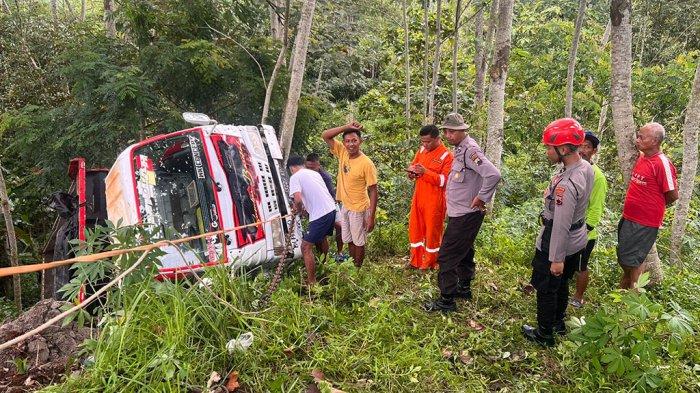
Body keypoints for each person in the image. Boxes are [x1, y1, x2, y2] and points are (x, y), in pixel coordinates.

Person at [522, 118, 594, 347]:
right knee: (562, 284)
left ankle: (544, 333)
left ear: (563, 149)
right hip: (577, 237)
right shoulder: (585, 167)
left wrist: (556, 258)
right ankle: (557, 323)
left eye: (548, 147)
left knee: (546, 287)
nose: (546, 151)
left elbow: (561, 224)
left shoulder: (566, 184)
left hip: (558, 238)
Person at [424, 113, 501, 312]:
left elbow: (493, 174)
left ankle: (446, 300)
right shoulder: (460, 149)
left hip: (467, 213)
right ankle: (464, 287)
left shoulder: (470, 150)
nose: (448, 135)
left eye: (453, 131)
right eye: (447, 131)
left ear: (462, 131)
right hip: (460, 211)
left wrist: (482, 197)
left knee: (447, 255)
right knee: (465, 250)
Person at [617, 122, 678, 290]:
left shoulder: (662, 163)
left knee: (634, 260)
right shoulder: (643, 157)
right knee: (625, 257)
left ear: (655, 141)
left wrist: (651, 205)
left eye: (641, 137)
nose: (637, 139)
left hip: (644, 222)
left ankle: (634, 295)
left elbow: (673, 194)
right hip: (629, 216)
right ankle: (626, 288)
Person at [321, 121, 378, 268]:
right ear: (344, 143)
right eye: (347, 141)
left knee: (359, 241)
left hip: (359, 207)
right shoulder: (342, 151)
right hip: (345, 205)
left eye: (354, 140)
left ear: (360, 141)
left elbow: (373, 190)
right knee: (349, 239)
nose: (351, 144)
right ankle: (352, 265)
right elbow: (325, 136)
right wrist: (345, 127)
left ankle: (358, 269)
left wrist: (371, 216)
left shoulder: (366, 163)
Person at [569, 130, 608, 308]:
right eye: (581, 146)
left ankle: (578, 297)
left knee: (581, 266)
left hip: (584, 232)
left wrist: (586, 230)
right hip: (567, 227)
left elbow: (596, 208)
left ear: (594, 151)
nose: (583, 150)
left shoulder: (597, 176)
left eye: (588, 147)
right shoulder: (570, 168)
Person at [407, 124, 453, 269]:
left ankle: (429, 264)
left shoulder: (447, 155)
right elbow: (414, 166)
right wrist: (411, 172)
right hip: (418, 197)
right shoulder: (421, 150)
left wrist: (425, 172)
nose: (425, 145)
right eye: (423, 141)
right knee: (415, 229)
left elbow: (444, 181)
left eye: (428, 142)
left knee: (432, 232)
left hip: (435, 201)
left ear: (437, 139)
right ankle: (415, 261)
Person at [287, 156, 337, 285]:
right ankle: (324, 266)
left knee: (305, 247)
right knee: (322, 238)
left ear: (292, 168)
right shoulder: (314, 173)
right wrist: (304, 208)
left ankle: (312, 282)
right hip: (331, 209)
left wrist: (298, 209)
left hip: (320, 214)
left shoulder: (295, 177)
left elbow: (297, 199)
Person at [305, 153, 345, 261]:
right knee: (321, 235)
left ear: (318, 165)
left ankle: (340, 251)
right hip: (314, 208)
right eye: (308, 167)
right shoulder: (304, 176)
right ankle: (324, 259)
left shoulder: (325, 177)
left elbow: (331, 195)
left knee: (340, 226)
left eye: (312, 168)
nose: (310, 170)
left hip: (330, 204)